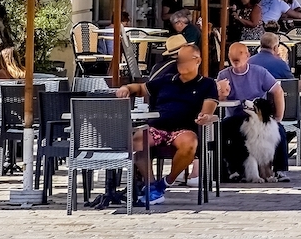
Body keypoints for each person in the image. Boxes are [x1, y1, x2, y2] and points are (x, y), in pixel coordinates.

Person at [118, 41, 220, 207]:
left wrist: (205, 117)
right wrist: (127, 88)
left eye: (184, 60)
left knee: (189, 143)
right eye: (178, 60)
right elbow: (141, 88)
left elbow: (208, 110)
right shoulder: (166, 80)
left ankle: (165, 183)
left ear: (197, 61)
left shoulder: (207, 84)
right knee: (137, 140)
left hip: (184, 129)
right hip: (158, 126)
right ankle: (151, 185)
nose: (179, 64)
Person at [216, 41, 287, 181]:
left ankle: (280, 170)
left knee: (280, 131)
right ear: (228, 57)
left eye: (240, 54)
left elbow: (277, 91)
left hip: (258, 116)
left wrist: (278, 116)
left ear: (248, 55)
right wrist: (223, 94)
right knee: (219, 132)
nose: (236, 59)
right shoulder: (223, 75)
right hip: (236, 116)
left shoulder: (259, 72)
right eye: (232, 56)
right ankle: (226, 170)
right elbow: (219, 100)